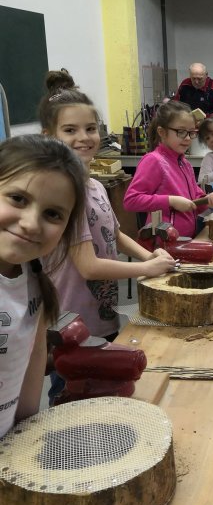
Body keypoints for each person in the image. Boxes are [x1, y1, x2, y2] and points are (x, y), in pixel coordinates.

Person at [39, 70, 177, 343]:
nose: (84, 137)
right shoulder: (65, 193)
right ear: (48, 136)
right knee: (72, 383)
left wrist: (148, 257)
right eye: (70, 130)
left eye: (90, 128)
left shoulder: (96, 186)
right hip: (71, 323)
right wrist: (145, 270)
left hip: (101, 315)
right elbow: (89, 267)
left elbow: (115, 234)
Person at [0, 135, 86, 437]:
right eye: (18, 199)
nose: (31, 223)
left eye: (52, 214)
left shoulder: (34, 283)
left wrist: (22, 443)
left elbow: (31, 368)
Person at [123, 101, 213, 238]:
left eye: (191, 132)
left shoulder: (185, 163)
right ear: (162, 132)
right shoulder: (154, 161)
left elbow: (194, 199)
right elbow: (131, 201)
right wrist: (170, 201)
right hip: (163, 243)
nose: (188, 138)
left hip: (184, 240)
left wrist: (207, 200)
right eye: (181, 132)